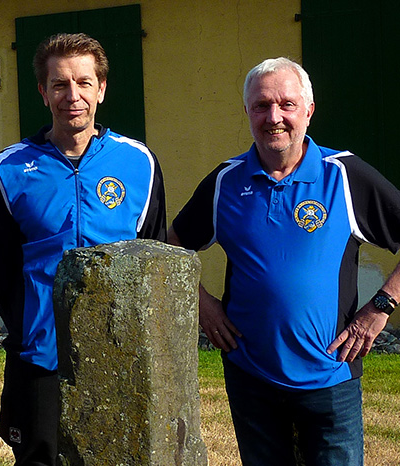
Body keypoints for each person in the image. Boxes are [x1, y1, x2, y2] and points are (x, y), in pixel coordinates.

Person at [168, 57, 400, 466]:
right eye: (261, 106)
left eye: (286, 105)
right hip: (251, 378)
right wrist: (202, 305)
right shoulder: (226, 180)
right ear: (247, 112)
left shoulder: (344, 175)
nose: (274, 117)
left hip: (331, 378)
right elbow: (169, 248)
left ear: (308, 111)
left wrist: (381, 307)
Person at [0, 32, 167, 465]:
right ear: (43, 93)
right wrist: (31, 328)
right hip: (41, 356)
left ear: (102, 88)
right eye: (60, 84)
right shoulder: (9, 167)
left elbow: (152, 254)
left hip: (120, 350)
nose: (73, 95)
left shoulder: (139, 163)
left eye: (84, 82)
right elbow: (1, 265)